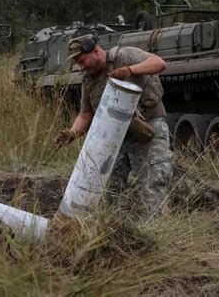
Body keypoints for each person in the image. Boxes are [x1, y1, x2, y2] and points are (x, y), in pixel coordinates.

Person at [53, 34, 173, 217]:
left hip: (147, 128)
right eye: (78, 63)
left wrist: (130, 71)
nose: (81, 66)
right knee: (108, 187)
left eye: (82, 60)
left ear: (95, 50)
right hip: (116, 137)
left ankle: (155, 228)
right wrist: (72, 133)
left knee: (152, 182)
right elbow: (86, 114)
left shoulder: (125, 55)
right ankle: (110, 229)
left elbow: (159, 63)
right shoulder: (89, 79)